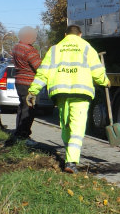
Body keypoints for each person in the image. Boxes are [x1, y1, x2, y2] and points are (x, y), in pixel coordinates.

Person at [27, 25, 109, 173]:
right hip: (81, 93)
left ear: (65, 35)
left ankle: (68, 156)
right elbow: (97, 71)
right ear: (80, 34)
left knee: (66, 125)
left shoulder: (54, 49)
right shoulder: (87, 48)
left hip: (61, 93)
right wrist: (105, 81)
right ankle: (71, 162)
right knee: (77, 128)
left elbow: (43, 73)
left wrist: (33, 91)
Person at [11, 26, 42, 140]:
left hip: (19, 81)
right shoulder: (29, 50)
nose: (34, 39)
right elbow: (39, 67)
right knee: (29, 109)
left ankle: (18, 132)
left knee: (22, 107)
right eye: (33, 37)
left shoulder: (16, 47)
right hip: (29, 82)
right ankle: (24, 135)